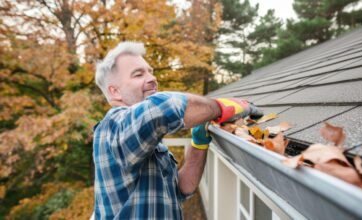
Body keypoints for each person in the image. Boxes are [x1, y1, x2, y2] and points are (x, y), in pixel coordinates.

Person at [92, 41, 262, 219]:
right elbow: (163, 108)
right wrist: (224, 107)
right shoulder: (111, 130)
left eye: (151, 71)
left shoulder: (149, 143)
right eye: (138, 74)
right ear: (115, 92)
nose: (152, 78)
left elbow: (182, 188)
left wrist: (199, 143)